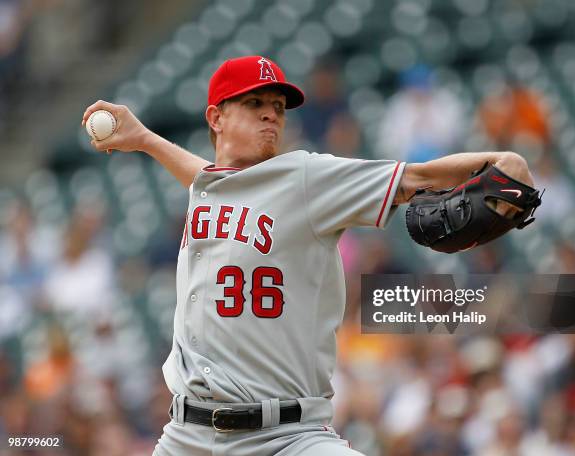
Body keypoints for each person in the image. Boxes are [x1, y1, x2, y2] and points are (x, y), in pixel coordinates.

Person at [82, 55, 534, 456]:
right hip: (189, 435)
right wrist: (144, 139)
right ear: (216, 118)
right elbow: (205, 175)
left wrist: (503, 160)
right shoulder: (211, 187)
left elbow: (414, 176)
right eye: (254, 104)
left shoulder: (305, 177)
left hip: (288, 437)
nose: (270, 116)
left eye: (277, 107)